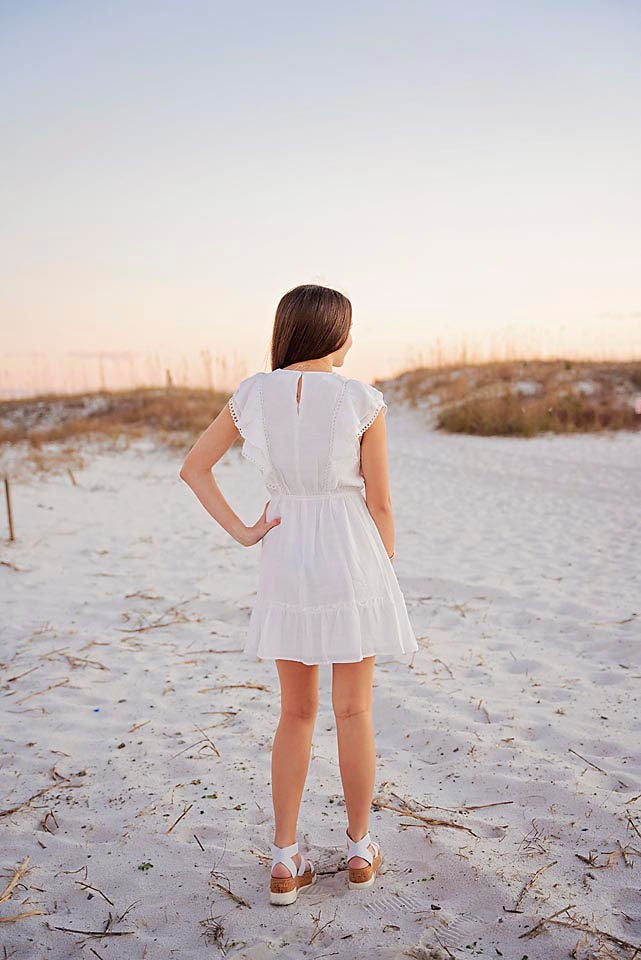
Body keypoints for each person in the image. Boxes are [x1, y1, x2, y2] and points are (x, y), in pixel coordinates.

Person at [179, 284, 418, 905]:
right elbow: (381, 501)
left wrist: (244, 532)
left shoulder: (253, 395)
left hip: (285, 555)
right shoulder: (362, 400)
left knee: (295, 711)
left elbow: (194, 468)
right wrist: (381, 573)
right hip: (351, 553)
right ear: (337, 334)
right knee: (354, 710)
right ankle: (360, 848)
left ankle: (285, 859)